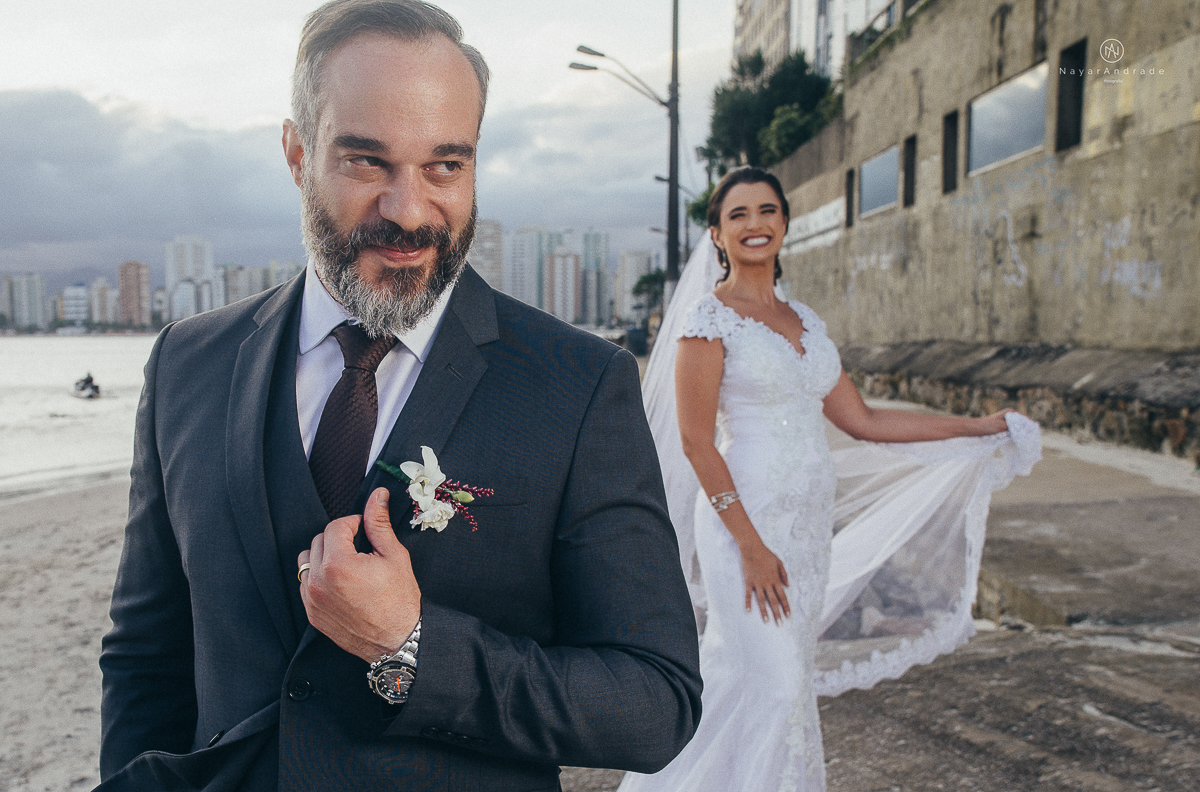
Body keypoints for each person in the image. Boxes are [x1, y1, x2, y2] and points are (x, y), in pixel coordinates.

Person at [97, 2, 701, 790]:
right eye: (367, 162)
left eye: (445, 165)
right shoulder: (188, 361)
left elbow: (655, 704)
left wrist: (410, 645)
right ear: (296, 152)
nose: (409, 212)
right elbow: (146, 654)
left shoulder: (580, 386)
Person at [619, 166, 1041, 792]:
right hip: (747, 526)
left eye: (766, 211)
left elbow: (864, 419)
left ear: (784, 224)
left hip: (808, 529)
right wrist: (751, 545)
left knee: (767, 687)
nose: (754, 224)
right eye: (737, 215)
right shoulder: (709, 321)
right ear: (716, 234)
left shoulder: (807, 322)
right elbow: (696, 442)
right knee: (776, 683)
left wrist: (975, 426)